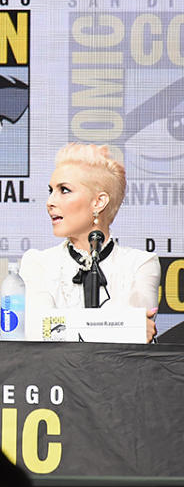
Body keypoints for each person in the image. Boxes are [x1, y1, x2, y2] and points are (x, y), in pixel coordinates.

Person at [20, 142, 159, 342]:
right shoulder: (36, 262)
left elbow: (138, 336)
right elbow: (38, 330)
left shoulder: (141, 263)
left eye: (64, 190)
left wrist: (64, 325)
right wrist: (120, 327)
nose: (50, 202)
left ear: (99, 202)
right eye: (50, 190)